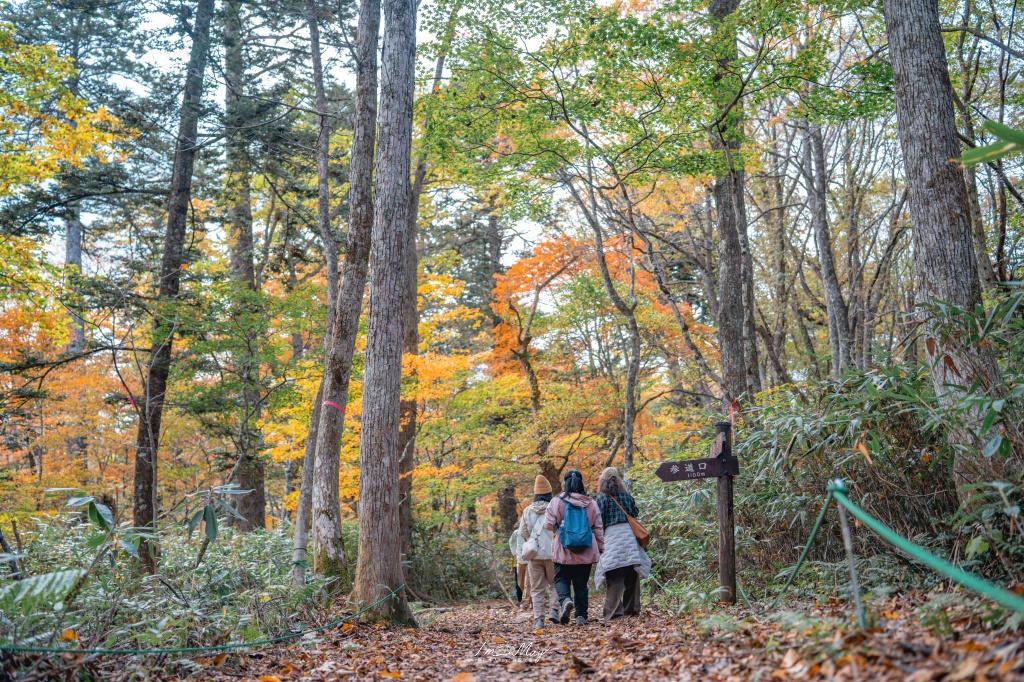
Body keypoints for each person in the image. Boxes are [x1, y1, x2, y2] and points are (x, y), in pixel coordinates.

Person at [544, 469, 604, 625]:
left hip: (563, 549)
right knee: (581, 584)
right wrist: (601, 547)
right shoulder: (591, 503)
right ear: (581, 483)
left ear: (565, 483)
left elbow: (548, 525)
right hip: (585, 550)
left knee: (560, 579)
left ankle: (565, 601)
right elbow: (598, 527)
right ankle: (581, 616)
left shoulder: (557, 501)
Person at [594, 467, 651, 620]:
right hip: (630, 538)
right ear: (619, 481)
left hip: (611, 539)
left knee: (615, 576)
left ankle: (614, 613)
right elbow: (635, 512)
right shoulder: (627, 496)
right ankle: (631, 609)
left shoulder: (601, 499)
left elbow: (599, 522)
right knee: (632, 573)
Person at [519, 475, 559, 630]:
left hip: (534, 555)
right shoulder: (553, 508)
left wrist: (532, 540)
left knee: (536, 589)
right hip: (553, 553)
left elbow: (522, 531)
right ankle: (554, 611)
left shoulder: (528, 511)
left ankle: (538, 620)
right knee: (555, 584)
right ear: (549, 493)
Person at [508, 510, 532, 611]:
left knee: (528, 584)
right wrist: (514, 554)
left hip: (530, 561)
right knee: (520, 583)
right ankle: (529, 600)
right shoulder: (516, 533)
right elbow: (511, 542)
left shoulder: (531, 531)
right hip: (519, 561)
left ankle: (526, 604)